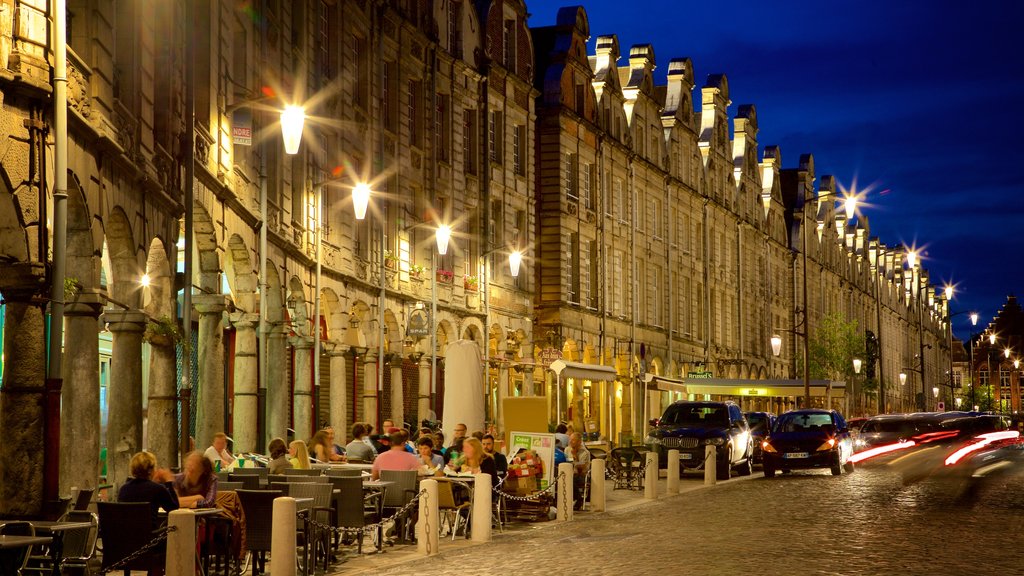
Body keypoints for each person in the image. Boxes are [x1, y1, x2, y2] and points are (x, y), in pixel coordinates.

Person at [118, 451, 179, 523]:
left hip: (125, 533)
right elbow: (174, 509)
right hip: (148, 533)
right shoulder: (157, 489)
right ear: (150, 470)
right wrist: (168, 481)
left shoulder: (124, 489)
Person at [566, 432, 591, 510]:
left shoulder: (585, 453)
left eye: (573, 440)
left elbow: (581, 467)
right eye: (570, 440)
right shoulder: (567, 449)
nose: (570, 442)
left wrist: (575, 456)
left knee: (571, 479)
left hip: (581, 475)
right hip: (569, 473)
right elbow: (566, 461)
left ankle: (578, 498)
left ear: (579, 442)